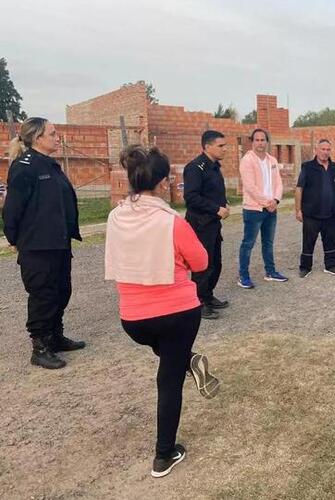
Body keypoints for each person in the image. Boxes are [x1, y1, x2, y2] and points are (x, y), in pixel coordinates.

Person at [105, 145, 220, 478]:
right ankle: (164, 454)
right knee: (168, 382)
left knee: (168, 356)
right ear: (163, 182)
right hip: (176, 313)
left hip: (133, 318)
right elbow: (202, 262)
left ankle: (185, 359)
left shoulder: (115, 216)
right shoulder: (171, 221)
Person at [2, 117, 85, 370]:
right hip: (37, 245)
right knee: (43, 295)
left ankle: (55, 336)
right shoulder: (24, 166)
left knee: (62, 290)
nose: (57, 137)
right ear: (38, 138)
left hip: (57, 242)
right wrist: (14, 238)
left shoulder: (50, 165)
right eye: (53, 133)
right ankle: (40, 347)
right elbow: (13, 209)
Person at [183, 130, 230, 320]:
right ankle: (198, 302)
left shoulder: (214, 166)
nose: (224, 149)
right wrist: (215, 208)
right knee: (203, 265)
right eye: (221, 146)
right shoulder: (196, 168)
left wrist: (223, 203)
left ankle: (208, 296)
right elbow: (191, 197)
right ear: (207, 146)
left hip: (213, 224)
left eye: (224, 145)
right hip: (201, 224)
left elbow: (214, 191)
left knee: (216, 263)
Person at [237, 128, 287, 288]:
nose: (260, 143)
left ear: (267, 142)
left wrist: (276, 200)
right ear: (252, 142)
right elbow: (250, 187)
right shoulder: (247, 160)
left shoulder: (272, 160)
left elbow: (278, 182)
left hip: (272, 208)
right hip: (254, 209)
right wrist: (267, 202)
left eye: (263, 140)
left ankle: (270, 272)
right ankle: (243, 276)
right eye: (257, 140)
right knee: (248, 243)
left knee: (268, 242)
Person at [295, 139, 335, 277]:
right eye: (323, 149)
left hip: (331, 214)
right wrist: (298, 210)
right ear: (316, 150)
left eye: (328, 149)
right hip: (311, 213)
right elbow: (299, 189)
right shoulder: (307, 167)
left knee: (331, 240)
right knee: (308, 241)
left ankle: (331, 265)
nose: (325, 152)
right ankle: (305, 267)